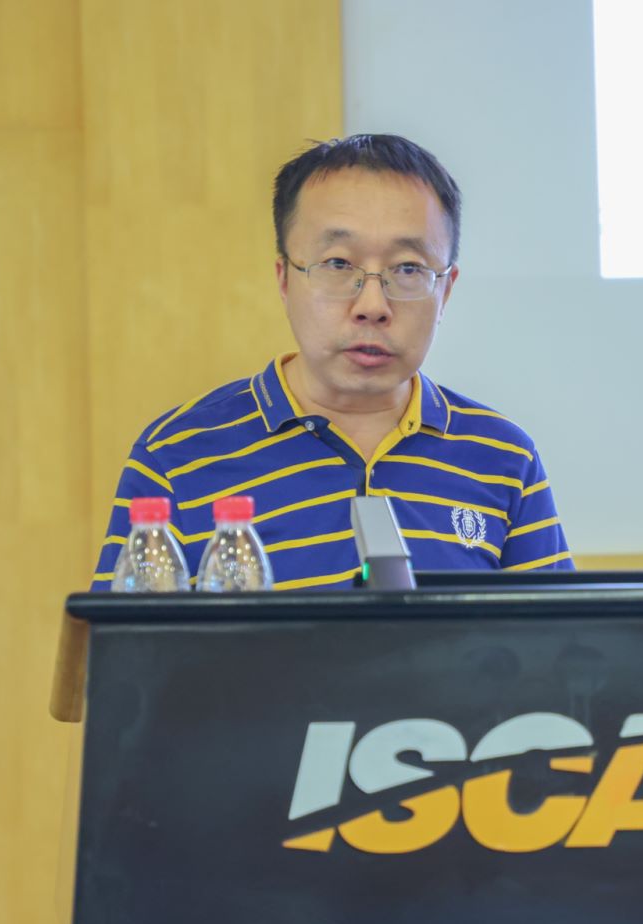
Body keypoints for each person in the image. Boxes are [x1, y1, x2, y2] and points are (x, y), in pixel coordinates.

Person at [90, 134, 573, 590]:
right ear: (284, 278)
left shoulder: (503, 459)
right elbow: (124, 647)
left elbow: (560, 643)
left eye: (408, 268)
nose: (372, 305)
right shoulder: (175, 458)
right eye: (338, 264)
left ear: (445, 290)